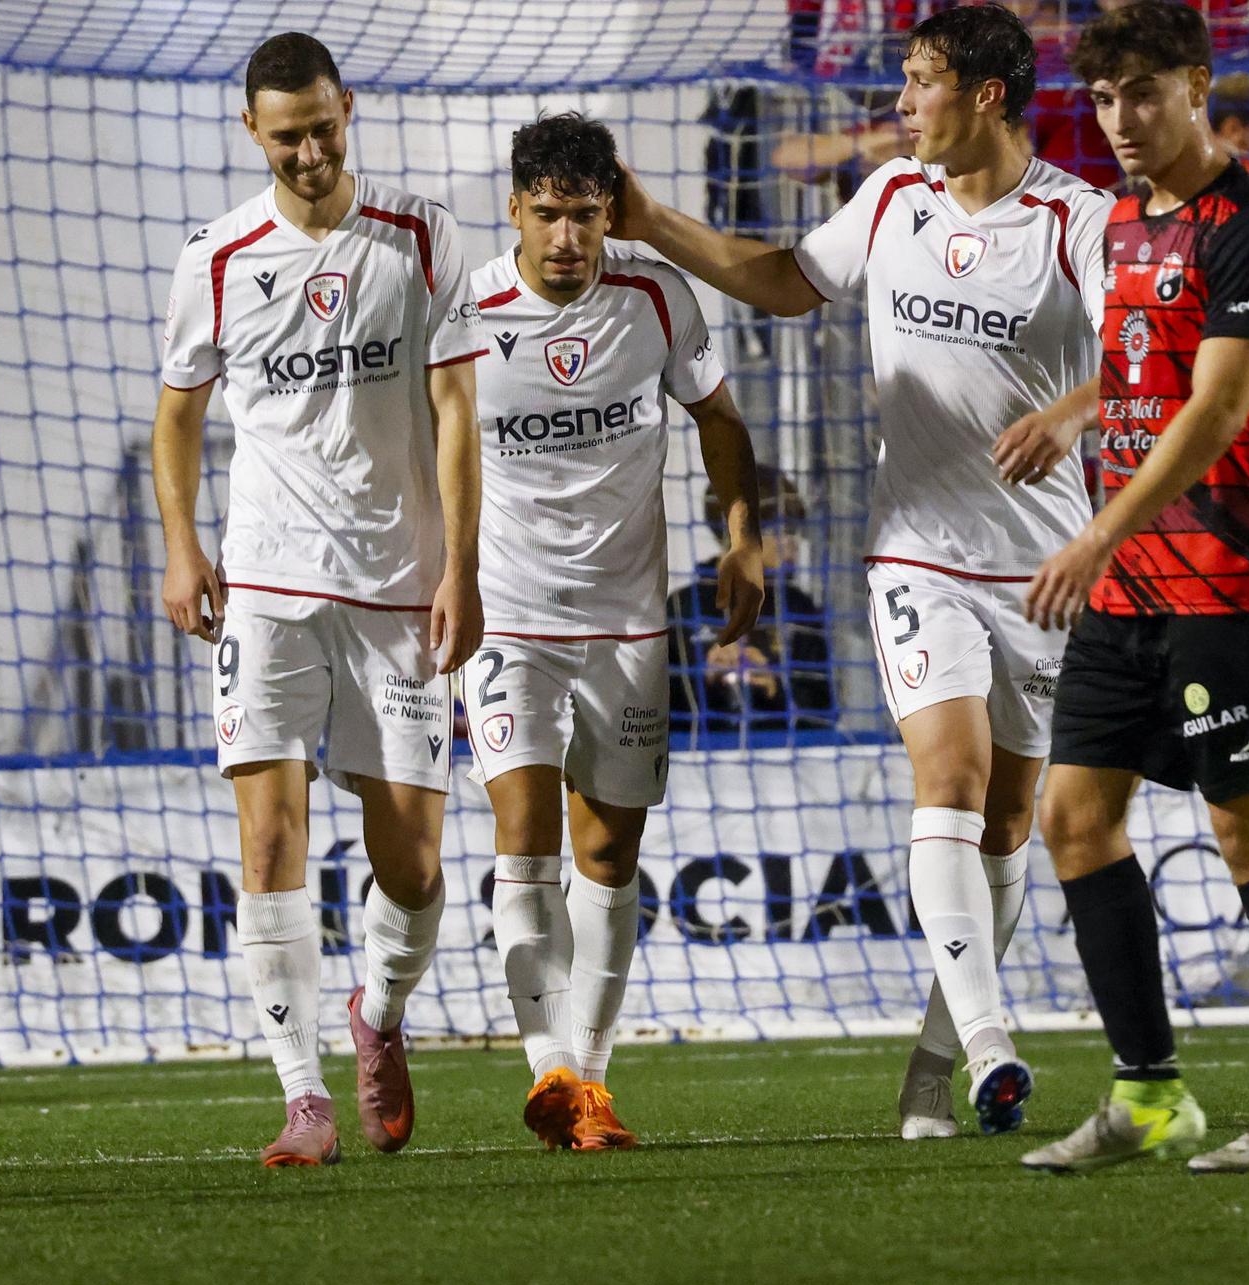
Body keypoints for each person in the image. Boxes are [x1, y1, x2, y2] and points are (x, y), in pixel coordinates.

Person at [614, 3, 1112, 1139]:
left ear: (985, 94)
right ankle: (990, 1042)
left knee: (1004, 821)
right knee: (945, 774)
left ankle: (932, 1062)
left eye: (918, 81)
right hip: (914, 552)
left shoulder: (1075, 220)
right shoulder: (891, 196)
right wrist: (649, 221)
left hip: (1042, 564)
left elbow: (1147, 352)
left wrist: (1072, 411)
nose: (897, 103)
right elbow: (785, 278)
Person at [1020, 1, 1249, 1176]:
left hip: (1231, 579)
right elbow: (1134, 369)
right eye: (1103, 98)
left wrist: (1096, 533)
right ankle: (1147, 1093)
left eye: (1143, 93)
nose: (1119, 119)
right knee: (1071, 818)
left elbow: (1214, 409)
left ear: (1198, 86)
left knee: (1246, 833)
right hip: (1132, 593)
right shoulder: (1120, 219)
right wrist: (1071, 415)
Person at [153, 32, 484, 1167]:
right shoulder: (214, 254)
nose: (305, 152)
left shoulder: (421, 232)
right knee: (269, 842)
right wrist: (183, 547)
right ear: (252, 130)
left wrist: (462, 566)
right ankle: (302, 1098)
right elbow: (178, 417)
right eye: (284, 135)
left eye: (322, 129)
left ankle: (378, 1014)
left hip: (397, 589)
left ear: (349, 110)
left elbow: (453, 411)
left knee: (415, 869)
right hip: (268, 584)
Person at [461, 112, 763, 1151]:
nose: (565, 239)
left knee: (611, 849)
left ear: (606, 212)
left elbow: (718, 418)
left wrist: (740, 538)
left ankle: (586, 1080)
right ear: (513, 208)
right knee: (524, 835)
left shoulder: (652, 295)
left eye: (584, 217)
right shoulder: (461, 308)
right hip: (505, 616)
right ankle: (547, 1064)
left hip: (629, 618)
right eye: (545, 215)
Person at [667, 472, 833, 735]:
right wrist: (707, 679)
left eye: (795, 531)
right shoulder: (682, 608)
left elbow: (824, 713)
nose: (793, 544)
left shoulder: (798, 608)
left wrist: (774, 686)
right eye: (782, 530)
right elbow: (658, 718)